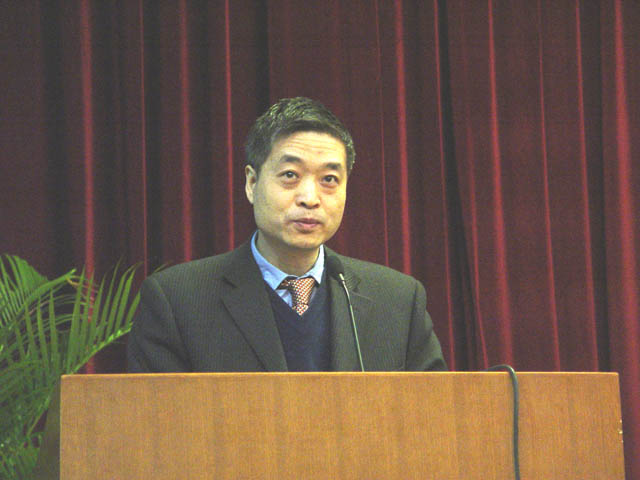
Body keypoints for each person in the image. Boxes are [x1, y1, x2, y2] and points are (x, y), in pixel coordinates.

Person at [127, 97, 446, 372]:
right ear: (251, 183)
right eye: (290, 175)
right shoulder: (178, 301)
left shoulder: (397, 301)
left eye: (329, 179)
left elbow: (433, 413)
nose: (310, 198)